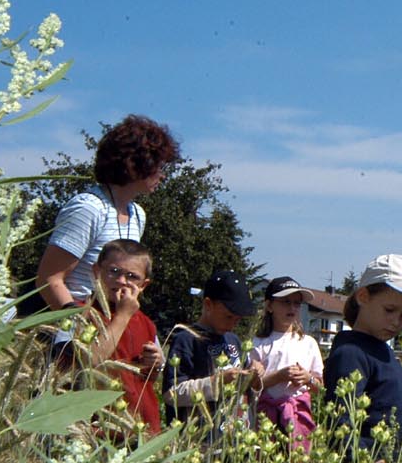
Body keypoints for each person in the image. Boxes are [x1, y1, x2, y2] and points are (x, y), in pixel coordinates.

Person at [35, 115, 180, 311]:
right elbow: (49, 278)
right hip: (77, 321)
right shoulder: (89, 208)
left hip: (109, 323)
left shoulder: (137, 214)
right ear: (136, 164)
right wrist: (74, 327)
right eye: (158, 166)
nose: (162, 175)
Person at [323, 255, 402, 463]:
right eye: (389, 310)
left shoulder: (381, 349)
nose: (396, 321)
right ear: (363, 296)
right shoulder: (351, 352)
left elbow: (391, 408)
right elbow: (341, 420)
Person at [52, 238, 163, 434]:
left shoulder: (147, 324)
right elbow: (90, 361)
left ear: (144, 284)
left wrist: (154, 363)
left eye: (132, 276)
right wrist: (123, 316)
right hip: (96, 430)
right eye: (113, 272)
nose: (121, 281)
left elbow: (147, 379)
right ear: (96, 271)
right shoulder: (78, 314)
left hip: (138, 428)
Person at [163, 269, 260, 434]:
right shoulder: (186, 339)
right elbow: (171, 394)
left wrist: (254, 376)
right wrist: (216, 382)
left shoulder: (233, 340)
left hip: (231, 433)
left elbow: (246, 390)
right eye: (228, 317)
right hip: (197, 436)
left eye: (238, 320)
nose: (233, 324)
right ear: (208, 305)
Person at [250, 276, 324, 452]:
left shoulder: (308, 343)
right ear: (269, 306)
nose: (292, 308)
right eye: (285, 302)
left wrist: (307, 379)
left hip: (298, 414)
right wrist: (278, 377)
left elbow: (320, 387)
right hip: (267, 414)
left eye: (296, 303)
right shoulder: (258, 343)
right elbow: (251, 387)